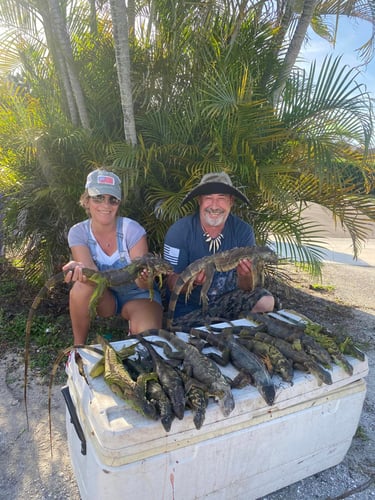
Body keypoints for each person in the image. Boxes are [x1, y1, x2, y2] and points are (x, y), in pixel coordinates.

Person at [63, 169, 163, 344]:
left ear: (119, 203)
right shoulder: (78, 232)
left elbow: (144, 285)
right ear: (86, 201)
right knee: (81, 287)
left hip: (138, 295)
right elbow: (92, 274)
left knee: (150, 338)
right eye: (98, 197)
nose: (106, 205)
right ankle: (78, 347)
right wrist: (80, 272)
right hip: (106, 297)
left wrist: (146, 277)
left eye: (112, 199)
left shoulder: (133, 230)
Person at [163, 172, 275, 325]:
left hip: (227, 303)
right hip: (190, 309)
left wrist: (245, 276)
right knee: (199, 339)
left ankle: (232, 325)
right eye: (208, 198)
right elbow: (171, 282)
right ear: (199, 201)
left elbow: (247, 288)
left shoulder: (243, 231)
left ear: (231, 201)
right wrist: (193, 282)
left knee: (266, 301)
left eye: (221, 198)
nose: (214, 206)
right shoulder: (179, 231)